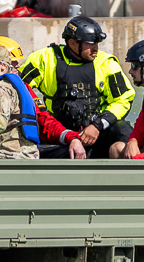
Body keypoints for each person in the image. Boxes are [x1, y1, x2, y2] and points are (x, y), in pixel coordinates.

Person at [20, 14, 136, 158]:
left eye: (97, 44)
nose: (96, 49)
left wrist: (97, 125)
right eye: (90, 44)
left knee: (125, 131)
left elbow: (124, 99)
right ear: (73, 43)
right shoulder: (45, 59)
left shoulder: (106, 63)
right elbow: (18, 87)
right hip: (59, 134)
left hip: (98, 133)